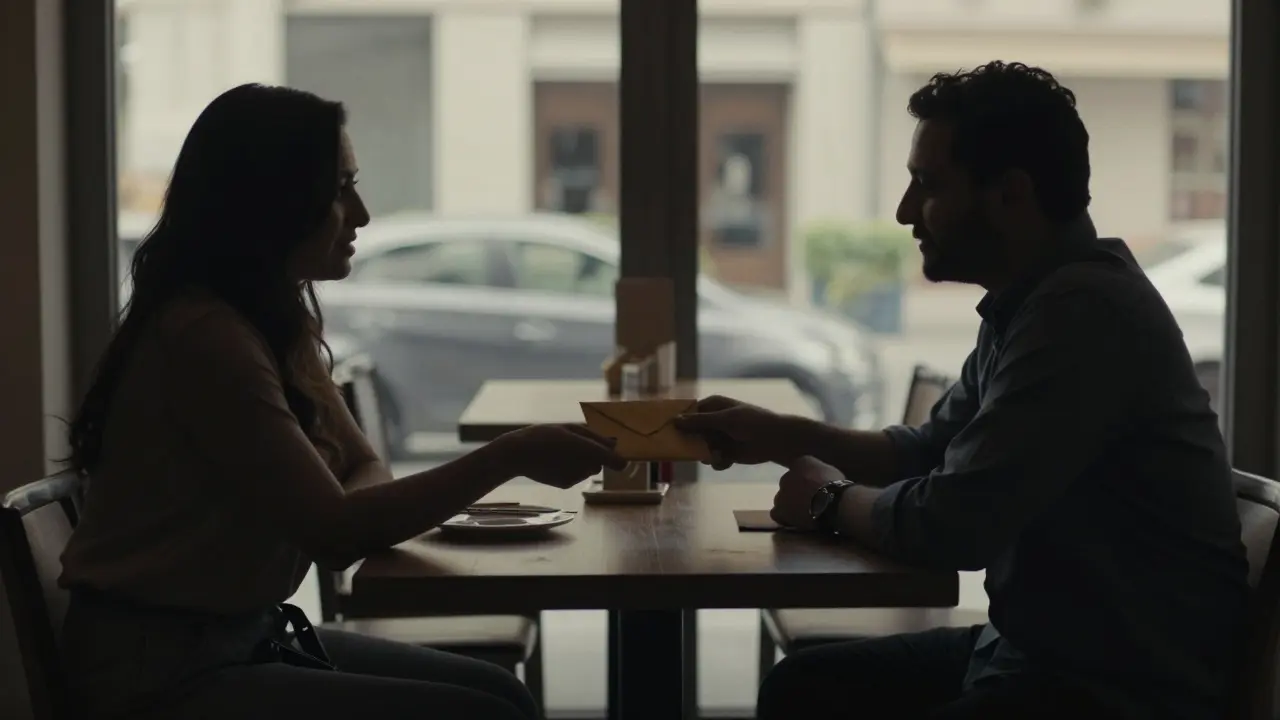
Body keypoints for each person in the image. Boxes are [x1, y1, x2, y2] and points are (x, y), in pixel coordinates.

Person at [676, 61, 1249, 720]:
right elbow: (928, 451)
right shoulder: (1033, 301)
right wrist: (779, 436)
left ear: (1010, 194)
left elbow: (950, 526)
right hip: (1037, 653)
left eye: (927, 184)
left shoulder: (1083, 313)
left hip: (1110, 688)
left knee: (808, 692)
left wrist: (830, 502)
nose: (903, 212)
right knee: (803, 687)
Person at [58, 83, 626, 720]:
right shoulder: (208, 337)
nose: (360, 213)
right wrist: (509, 455)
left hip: (236, 639)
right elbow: (338, 532)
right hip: (159, 675)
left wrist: (357, 508)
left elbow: (361, 473)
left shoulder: (270, 320)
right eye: (338, 189)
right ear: (270, 202)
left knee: (502, 695)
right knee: (491, 710)